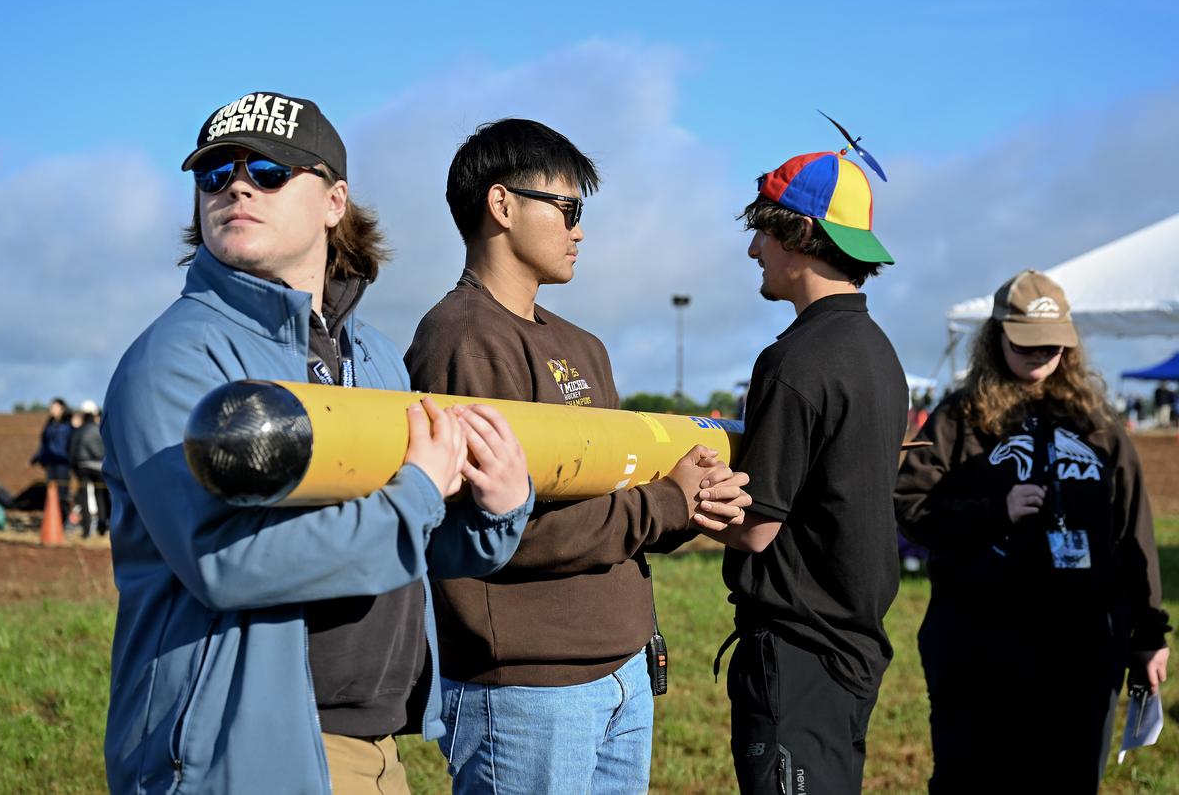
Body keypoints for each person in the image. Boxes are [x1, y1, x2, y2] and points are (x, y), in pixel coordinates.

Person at [101, 92, 534, 794]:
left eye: (269, 169)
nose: (236, 184)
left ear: (335, 201)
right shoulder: (175, 360)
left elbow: (410, 542)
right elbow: (225, 558)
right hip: (243, 752)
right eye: (214, 173)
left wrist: (495, 509)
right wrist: (418, 492)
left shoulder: (377, 357)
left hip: (378, 750)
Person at [405, 118, 751, 794]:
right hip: (527, 695)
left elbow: (624, 507)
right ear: (501, 205)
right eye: (567, 208)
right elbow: (501, 532)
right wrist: (668, 501)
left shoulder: (584, 345)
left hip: (622, 671)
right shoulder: (461, 338)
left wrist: (694, 503)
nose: (579, 229)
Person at [895, 269, 1171, 793]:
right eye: (1027, 345)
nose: (1041, 356)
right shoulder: (960, 417)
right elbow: (909, 503)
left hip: (1082, 651)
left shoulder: (1098, 423)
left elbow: (1134, 533)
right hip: (979, 648)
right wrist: (993, 511)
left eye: (1053, 346)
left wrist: (1148, 636)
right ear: (995, 336)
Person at [701, 149, 907, 794]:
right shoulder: (878, 351)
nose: (754, 249)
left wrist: (667, 500)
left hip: (796, 654)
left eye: (763, 229)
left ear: (801, 235)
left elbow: (756, 526)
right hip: (852, 649)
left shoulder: (793, 360)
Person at [68, 400, 109, 538]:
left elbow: (72, 451)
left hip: (83, 467)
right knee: (101, 496)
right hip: (100, 467)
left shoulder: (78, 431)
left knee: (83, 497)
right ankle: (102, 527)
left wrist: (74, 467)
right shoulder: (100, 429)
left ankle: (86, 530)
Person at [30, 398, 73, 519]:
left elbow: (72, 443)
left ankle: (64, 519)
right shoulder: (49, 425)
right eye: (51, 407)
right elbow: (44, 444)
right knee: (51, 492)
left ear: (62, 408)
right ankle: (53, 519)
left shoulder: (68, 425)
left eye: (54, 407)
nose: (52, 409)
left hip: (63, 464)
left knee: (62, 493)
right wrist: (36, 458)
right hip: (50, 463)